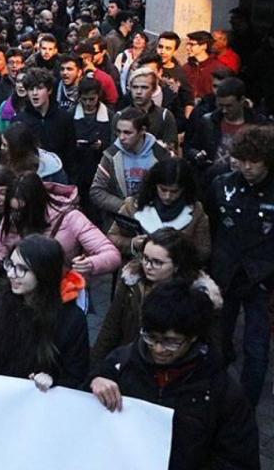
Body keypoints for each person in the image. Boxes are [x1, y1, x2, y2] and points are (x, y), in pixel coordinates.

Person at [88, 282, 259, 470]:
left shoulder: (221, 390)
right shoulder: (122, 362)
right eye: (151, 337)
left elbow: (239, 459)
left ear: (193, 336)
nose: (158, 349)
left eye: (171, 342)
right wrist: (96, 380)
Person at [0, 173, 121, 316]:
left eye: (21, 210)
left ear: (35, 206)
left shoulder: (71, 219)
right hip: (25, 294)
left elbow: (111, 255)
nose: (16, 216)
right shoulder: (13, 218)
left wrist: (91, 263)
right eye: (13, 210)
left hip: (63, 294)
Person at [0, 235, 90, 390]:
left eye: (22, 269)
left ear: (44, 273)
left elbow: (76, 376)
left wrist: (53, 380)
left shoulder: (71, 320)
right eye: (10, 264)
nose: (11, 273)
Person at [207, 125, 274, 406]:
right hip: (226, 275)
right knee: (218, 341)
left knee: (257, 349)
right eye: (242, 159)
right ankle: (216, 395)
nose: (247, 167)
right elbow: (210, 226)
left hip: (262, 279)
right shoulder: (222, 184)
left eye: (254, 161)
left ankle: (246, 406)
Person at [92, 228, 222, 367]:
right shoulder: (131, 282)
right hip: (131, 360)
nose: (148, 266)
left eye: (157, 262)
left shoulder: (197, 297)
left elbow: (209, 343)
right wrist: (96, 367)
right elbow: (111, 327)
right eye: (145, 258)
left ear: (177, 265)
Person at [106, 158, 211, 262]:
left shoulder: (196, 211)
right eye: (163, 189)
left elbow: (203, 250)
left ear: (184, 189)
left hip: (178, 274)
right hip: (138, 270)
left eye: (174, 191)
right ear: (154, 185)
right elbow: (112, 237)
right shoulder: (132, 206)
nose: (167, 196)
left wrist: (178, 251)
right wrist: (132, 243)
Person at [90, 107, 171, 223]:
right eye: (118, 131)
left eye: (127, 133)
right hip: (119, 221)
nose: (121, 137)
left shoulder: (161, 155)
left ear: (142, 130)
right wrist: (126, 207)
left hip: (155, 220)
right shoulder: (111, 155)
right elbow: (96, 191)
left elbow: (172, 190)